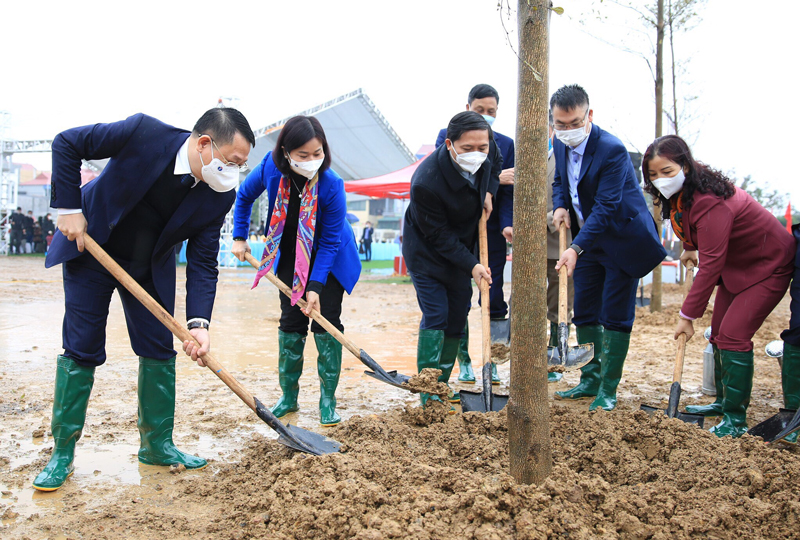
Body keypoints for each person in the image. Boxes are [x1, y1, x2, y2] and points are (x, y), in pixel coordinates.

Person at [34, 108, 255, 492]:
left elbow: (203, 262)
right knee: (82, 346)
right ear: (204, 144)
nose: (234, 172)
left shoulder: (219, 194)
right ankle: (62, 452)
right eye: (232, 161)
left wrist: (199, 324)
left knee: (158, 349)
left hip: (149, 267)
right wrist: (69, 209)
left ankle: (157, 446)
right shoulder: (144, 133)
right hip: (92, 248)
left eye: (241, 165)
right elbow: (67, 143)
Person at [642, 135, 796, 438]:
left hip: (769, 265)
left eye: (667, 171)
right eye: (653, 174)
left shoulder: (710, 201)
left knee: (733, 336)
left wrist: (687, 316)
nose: (661, 179)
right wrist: (688, 246)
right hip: (738, 266)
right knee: (718, 334)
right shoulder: (684, 194)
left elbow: (711, 265)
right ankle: (723, 402)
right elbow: (687, 221)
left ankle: (735, 420)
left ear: (685, 166)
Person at [232, 116, 360, 427]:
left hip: (330, 258)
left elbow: (329, 242)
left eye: (318, 153)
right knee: (291, 321)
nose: (312, 160)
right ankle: (289, 396)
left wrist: (314, 286)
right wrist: (239, 236)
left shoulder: (332, 184)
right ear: (286, 152)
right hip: (290, 253)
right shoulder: (270, 166)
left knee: (326, 321)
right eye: (303, 155)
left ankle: (327, 400)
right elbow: (244, 196)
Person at [551, 84, 666, 411]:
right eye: (561, 124)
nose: (568, 130)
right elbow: (561, 181)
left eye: (575, 123)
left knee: (615, 315)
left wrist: (575, 248)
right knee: (585, 310)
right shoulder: (559, 143)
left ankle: (608, 389)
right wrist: (560, 205)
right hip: (589, 242)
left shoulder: (611, 150)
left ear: (589, 115)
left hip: (621, 239)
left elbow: (606, 207)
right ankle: (590, 379)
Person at [405, 111, 499, 408]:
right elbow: (439, 236)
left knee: (458, 313)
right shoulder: (426, 181)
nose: (477, 154)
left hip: (463, 249)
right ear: (449, 144)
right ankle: (427, 390)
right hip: (427, 252)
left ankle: (442, 385)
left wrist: (489, 192)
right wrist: (472, 265)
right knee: (437, 314)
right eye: (467, 148)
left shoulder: (488, 151)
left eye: (482, 147)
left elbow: (494, 166)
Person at [434, 84, 511, 387]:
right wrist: (495, 181)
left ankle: (493, 360)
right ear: (468, 108)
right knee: (459, 294)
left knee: (493, 292)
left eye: (491, 111)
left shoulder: (505, 143)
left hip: (491, 229)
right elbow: (449, 175)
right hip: (460, 231)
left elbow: (507, 191)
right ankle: (463, 360)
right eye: (480, 110)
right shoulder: (447, 136)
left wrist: (496, 201)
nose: (486, 115)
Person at [545, 111, 574, 383]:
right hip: (531, 247)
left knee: (560, 301)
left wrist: (546, 218)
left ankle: (555, 353)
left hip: (560, 244)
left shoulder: (566, 156)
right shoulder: (524, 157)